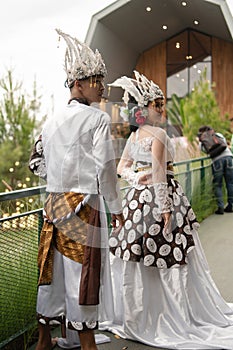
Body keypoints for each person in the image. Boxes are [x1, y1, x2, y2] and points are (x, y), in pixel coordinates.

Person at [100, 71, 233, 349]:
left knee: (141, 253)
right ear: (144, 109)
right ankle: (170, 313)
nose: (161, 108)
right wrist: (166, 209)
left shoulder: (135, 135)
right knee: (170, 252)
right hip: (161, 198)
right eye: (156, 105)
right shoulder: (158, 133)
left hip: (137, 201)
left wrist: (137, 178)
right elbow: (159, 175)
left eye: (162, 104)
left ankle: (148, 312)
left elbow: (123, 169)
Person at [34, 29, 124, 350]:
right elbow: (105, 170)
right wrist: (116, 208)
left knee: (53, 275)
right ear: (78, 84)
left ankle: (44, 340)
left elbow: (38, 163)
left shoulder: (49, 121)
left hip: (53, 207)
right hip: (84, 207)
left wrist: (57, 183)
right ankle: (88, 344)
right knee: (82, 276)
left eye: (101, 80)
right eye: (95, 81)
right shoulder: (97, 120)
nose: (101, 87)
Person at [198, 125, 233, 215]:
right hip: (229, 158)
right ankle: (231, 205)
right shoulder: (218, 135)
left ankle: (220, 207)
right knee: (230, 183)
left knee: (218, 184)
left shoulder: (202, 140)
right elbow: (224, 143)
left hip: (217, 161)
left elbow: (205, 151)